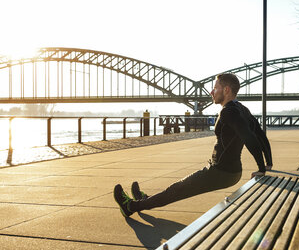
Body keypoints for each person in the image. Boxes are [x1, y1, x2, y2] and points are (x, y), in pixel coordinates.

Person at [113, 73, 273, 217]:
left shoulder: (228, 112)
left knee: (177, 190)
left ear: (226, 90)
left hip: (221, 172)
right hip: (230, 171)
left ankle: (130, 206)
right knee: (177, 189)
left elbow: (250, 137)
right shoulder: (241, 108)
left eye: (215, 88)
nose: (211, 92)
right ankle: (145, 200)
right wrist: (268, 162)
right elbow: (259, 134)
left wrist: (261, 168)